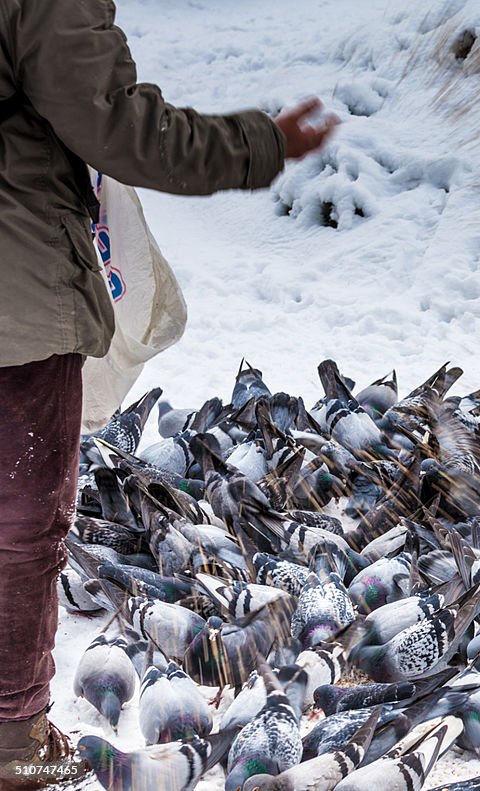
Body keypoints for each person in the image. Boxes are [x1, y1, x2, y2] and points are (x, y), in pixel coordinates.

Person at [0, 0, 338, 786]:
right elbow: (108, 118)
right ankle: (11, 730)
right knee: (20, 518)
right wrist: (261, 143)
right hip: (13, 290)